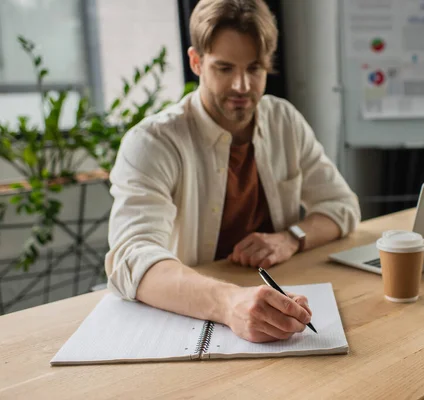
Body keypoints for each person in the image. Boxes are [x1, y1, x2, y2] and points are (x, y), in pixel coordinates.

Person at [104, 0, 360, 343]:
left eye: (254, 69)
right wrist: (230, 302)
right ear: (196, 61)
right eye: (224, 68)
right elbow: (131, 258)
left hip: (281, 304)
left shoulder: (283, 120)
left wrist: (290, 238)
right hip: (193, 319)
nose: (242, 86)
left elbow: (342, 206)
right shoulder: (152, 142)